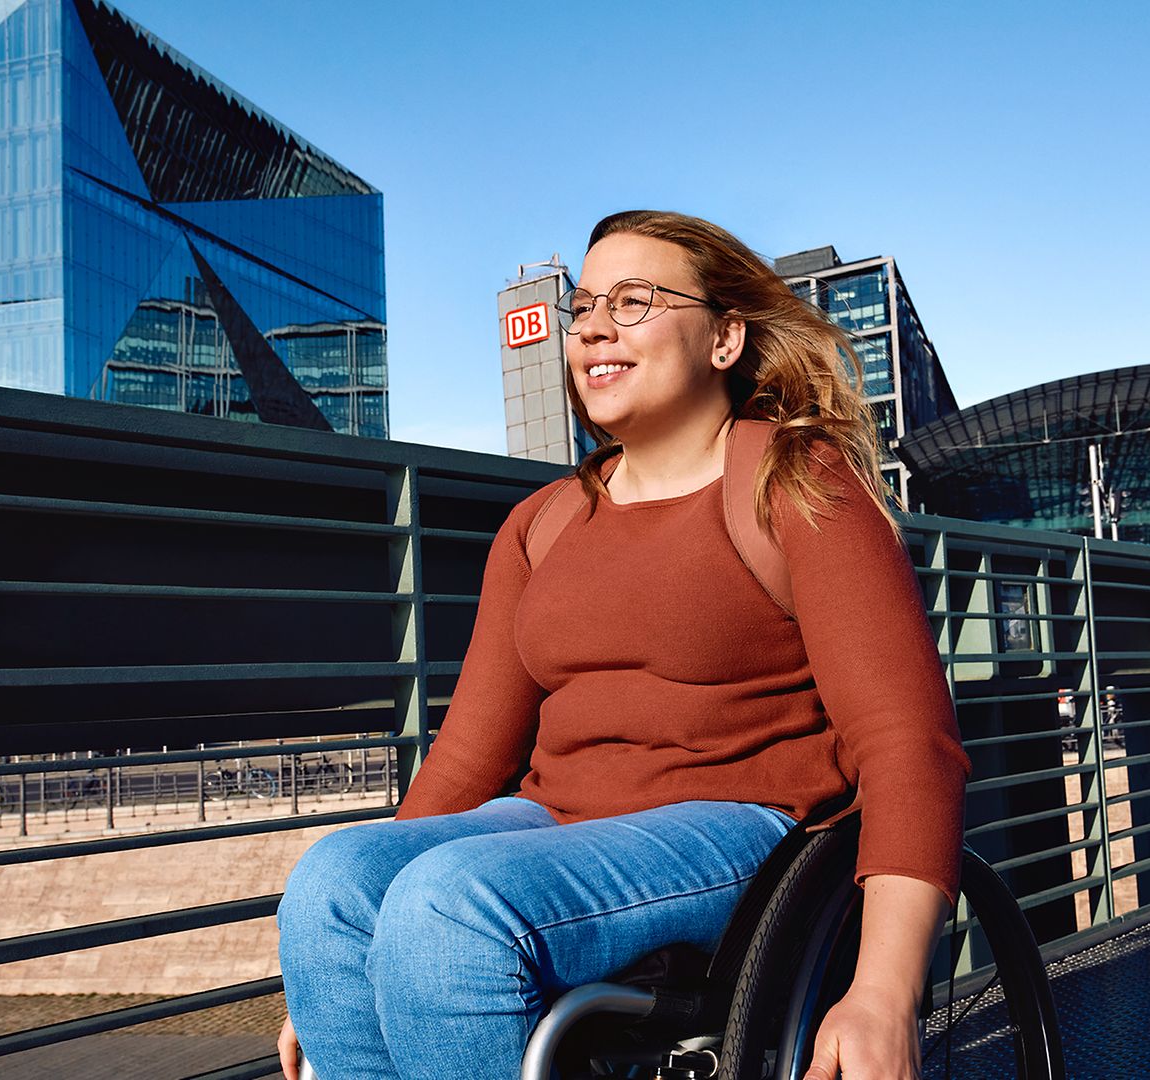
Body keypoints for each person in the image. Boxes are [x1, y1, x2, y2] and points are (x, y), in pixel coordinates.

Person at [275, 210, 969, 1080]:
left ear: (724, 338)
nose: (594, 325)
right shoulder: (541, 525)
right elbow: (464, 760)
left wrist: (882, 994)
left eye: (634, 300)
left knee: (446, 909)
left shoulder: (794, 482)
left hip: (741, 827)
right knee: (334, 884)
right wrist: (338, 976)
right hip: (556, 824)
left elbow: (910, 742)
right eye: (585, 306)